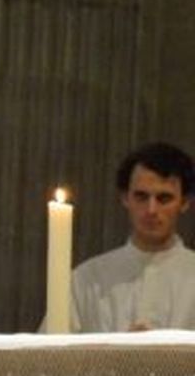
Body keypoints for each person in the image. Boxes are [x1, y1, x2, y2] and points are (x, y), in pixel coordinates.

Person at [71, 142, 195, 332]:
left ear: (185, 202)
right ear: (125, 198)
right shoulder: (86, 279)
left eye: (164, 199)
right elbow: (50, 358)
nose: (151, 210)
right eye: (141, 196)